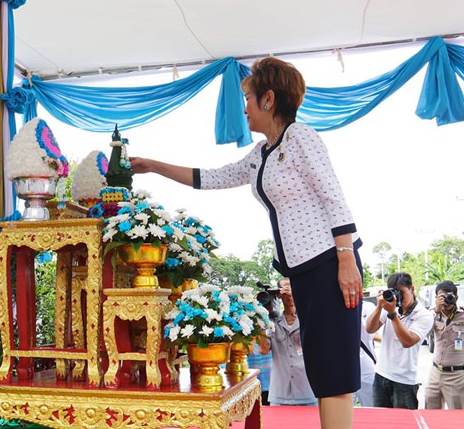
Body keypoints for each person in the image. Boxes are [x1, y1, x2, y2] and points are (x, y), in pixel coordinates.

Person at [130, 57, 362, 429]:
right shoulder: (261, 153)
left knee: (334, 371)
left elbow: (333, 196)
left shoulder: (301, 137)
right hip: (302, 272)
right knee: (321, 369)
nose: (245, 108)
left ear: (268, 99)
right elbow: (211, 177)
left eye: (249, 98)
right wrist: (154, 165)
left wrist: (346, 259)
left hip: (329, 263)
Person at [365, 272, 433, 409]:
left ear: (412, 289)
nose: (399, 297)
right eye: (396, 293)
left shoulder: (424, 315)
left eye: (402, 292)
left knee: (404, 423)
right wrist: (379, 307)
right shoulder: (390, 306)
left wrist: (392, 314)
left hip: (404, 381)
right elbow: (370, 329)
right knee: (380, 422)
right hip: (381, 375)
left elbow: (408, 341)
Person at [424, 280, 464, 409]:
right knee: (430, 413)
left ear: (456, 298)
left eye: (449, 296)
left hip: (456, 375)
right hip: (435, 373)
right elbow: (422, 333)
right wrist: (436, 311)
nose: (446, 300)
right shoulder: (432, 315)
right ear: (436, 298)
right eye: (442, 297)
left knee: (458, 419)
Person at [258, 277, 317, 406]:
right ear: (278, 295)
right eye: (284, 289)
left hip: (308, 390)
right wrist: (260, 315)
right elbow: (263, 350)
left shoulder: (310, 317)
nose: (288, 293)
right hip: (280, 393)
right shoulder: (273, 322)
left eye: (292, 287)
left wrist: (298, 298)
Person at [354, 300, 377, 407]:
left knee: (370, 408)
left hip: (366, 366)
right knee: (346, 409)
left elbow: (371, 331)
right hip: (343, 369)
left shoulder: (368, 307)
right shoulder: (334, 307)